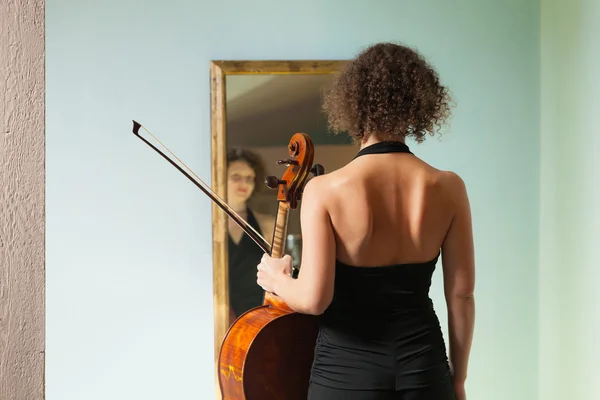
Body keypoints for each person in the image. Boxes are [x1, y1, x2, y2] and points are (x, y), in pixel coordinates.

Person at [256, 42, 475, 400]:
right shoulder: (448, 187)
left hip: (345, 374)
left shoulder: (324, 190)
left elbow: (314, 299)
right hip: (423, 367)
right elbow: (462, 295)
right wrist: (459, 380)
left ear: (353, 105)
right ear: (418, 104)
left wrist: (277, 279)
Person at [226, 148, 275, 324]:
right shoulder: (209, 225)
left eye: (249, 178)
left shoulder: (267, 224)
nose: (244, 183)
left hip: (255, 313)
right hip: (217, 312)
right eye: (236, 176)